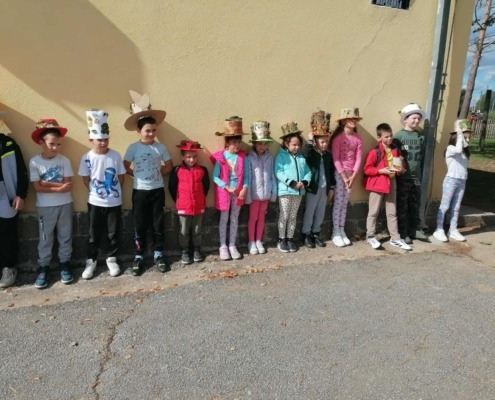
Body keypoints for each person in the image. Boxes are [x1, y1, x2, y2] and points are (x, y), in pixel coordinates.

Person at [123, 90, 172, 276]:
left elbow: (168, 166)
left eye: (153, 130)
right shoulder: (133, 148)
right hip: (140, 192)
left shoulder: (160, 147)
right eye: (147, 130)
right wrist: (136, 175)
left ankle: (158, 254)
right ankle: (139, 255)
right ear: (139, 131)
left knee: (158, 224)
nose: (151, 133)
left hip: (157, 191)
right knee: (140, 224)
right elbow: (125, 166)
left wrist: (158, 173)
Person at [79, 109, 126, 280]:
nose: (103, 142)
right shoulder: (87, 157)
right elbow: (86, 179)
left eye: (106, 139)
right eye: (100, 139)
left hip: (114, 202)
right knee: (93, 232)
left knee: (113, 232)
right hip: (95, 202)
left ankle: (111, 259)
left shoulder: (115, 156)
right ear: (91, 140)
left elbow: (121, 177)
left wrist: (112, 194)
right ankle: (91, 260)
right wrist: (95, 193)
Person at [29, 119, 74, 288]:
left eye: (58, 144)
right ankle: (43, 267)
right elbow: (37, 187)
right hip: (44, 207)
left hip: (65, 204)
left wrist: (46, 183)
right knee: (45, 238)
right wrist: (58, 187)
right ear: (42, 142)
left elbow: (68, 185)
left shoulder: (64, 160)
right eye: (51, 144)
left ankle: (65, 264)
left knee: (65, 236)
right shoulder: (35, 162)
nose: (55, 148)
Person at [363, 123, 412, 251]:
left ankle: (395, 238)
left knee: (392, 211)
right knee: (373, 211)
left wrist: (401, 169)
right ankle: (370, 236)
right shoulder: (374, 152)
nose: (389, 139)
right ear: (379, 138)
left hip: (392, 182)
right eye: (386, 137)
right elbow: (367, 169)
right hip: (378, 184)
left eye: (390, 136)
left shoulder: (396, 150)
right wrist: (381, 171)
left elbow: (401, 166)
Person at [211, 116, 249, 261]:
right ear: (227, 143)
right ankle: (223, 246)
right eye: (234, 142)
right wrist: (226, 187)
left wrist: (244, 188)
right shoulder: (221, 158)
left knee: (234, 218)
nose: (237, 145)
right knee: (224, 218)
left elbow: (247, 176)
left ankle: (232, 245)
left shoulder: (242, 158)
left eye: (239, 142)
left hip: (238, 193)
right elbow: (215, 177)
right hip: (225, 193)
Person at [168, 140, 210, 264]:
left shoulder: (202, 170)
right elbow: (172, 188)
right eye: (188, 157)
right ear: (182, 157)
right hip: (183, 206)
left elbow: (206, 187)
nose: (191, 159)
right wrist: (180, 200)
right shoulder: (177, 170)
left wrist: (200, 199)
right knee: (184, 230)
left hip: (198, 205)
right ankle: (185, 251)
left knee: (197, 230)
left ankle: (197, 250)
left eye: (194, 157)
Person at [393, 103, 429, 244]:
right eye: (413, 118)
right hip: (403, 177)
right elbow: (394, 156)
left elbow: (422, 155)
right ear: (405, 119)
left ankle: (415, 229)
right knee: (403, 204)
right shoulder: (399, 137)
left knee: (415, 203)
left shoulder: (420, 137)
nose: (416, 121)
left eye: (418, 119)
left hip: (416, 177)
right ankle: (403, 231)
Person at [0, 114, 28, 289]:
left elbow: (21, 171)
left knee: (7, 233)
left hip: (6, 194)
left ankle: (8, 268)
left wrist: (20, 195)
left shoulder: (9, 144)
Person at [433, 119, 472, 243]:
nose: (467, 139)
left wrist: (463, 138)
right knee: (445, 206)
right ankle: (439, 229)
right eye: (465, 137)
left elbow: (462, 150)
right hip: (451, 180)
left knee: (456, 207)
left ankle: (453, 229)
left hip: (462, 181)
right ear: (457, 136)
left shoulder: (464, 151)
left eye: (469, 137)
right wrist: (460, 134)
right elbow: (458, 150)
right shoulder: (450, 148)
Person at [275, 122, 311, 253]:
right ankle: (281, 239)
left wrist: (304, 182)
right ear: (286, 144)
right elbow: (278, 172)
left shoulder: (301, 157)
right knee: (284, 215)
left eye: (298, 145)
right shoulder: (281, 156)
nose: (297, 147)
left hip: (298, 192)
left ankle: (290, 238)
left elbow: (307, 171)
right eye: (294, 145)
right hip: (285, 191)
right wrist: (291, 182)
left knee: (293, 216)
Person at [301, 111, 335, 248]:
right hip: (313, 188)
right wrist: (310, 141)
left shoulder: (328, 156)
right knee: (310, 212)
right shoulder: (312, 153)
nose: (325, 144)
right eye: (322, 142)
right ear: (316, 142)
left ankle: (316, 233)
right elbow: (305, 155)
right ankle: (306, 234)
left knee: (320, 213)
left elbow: (331, 172)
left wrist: (331, 187)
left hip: (324, 188)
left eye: (326, 142)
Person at [331, 108, 363, 247]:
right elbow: (336, 159)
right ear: (343, 121)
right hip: (340, 174)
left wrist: (353, 176)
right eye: (350, 119)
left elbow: (358, 158)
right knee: (338, 203)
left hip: (351, 175)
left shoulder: (357, 138)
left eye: (355, 119)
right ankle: (335, 232)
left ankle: (342, 229)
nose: (353, 121)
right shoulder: (338, 139)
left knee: (344, 203)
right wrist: (344, 176)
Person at [245, 121, 277, 255]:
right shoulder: (249, 158)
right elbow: (248, 177)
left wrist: (273, 192)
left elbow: (272, 176)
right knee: (253, 218)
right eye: (259, 143)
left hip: (266, 195)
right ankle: (251, 241)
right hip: (254, 195)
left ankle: (259, 240)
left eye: (265, 143)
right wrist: (247, 196)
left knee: (262, 218)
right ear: (254, 143)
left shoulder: (270, 157)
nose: (262, 146)